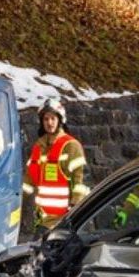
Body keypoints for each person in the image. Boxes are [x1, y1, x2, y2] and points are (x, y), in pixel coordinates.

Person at [22, 97, 89, 231]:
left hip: (64, 220)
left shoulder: (71, 146)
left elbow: (79, 181)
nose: (49, 122)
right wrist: (15, 200)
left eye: (53, 118)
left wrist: (74, 209)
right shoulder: (38, 147)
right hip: (42, 220)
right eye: (46, 119)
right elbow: (29, 180)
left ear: (60, 120)